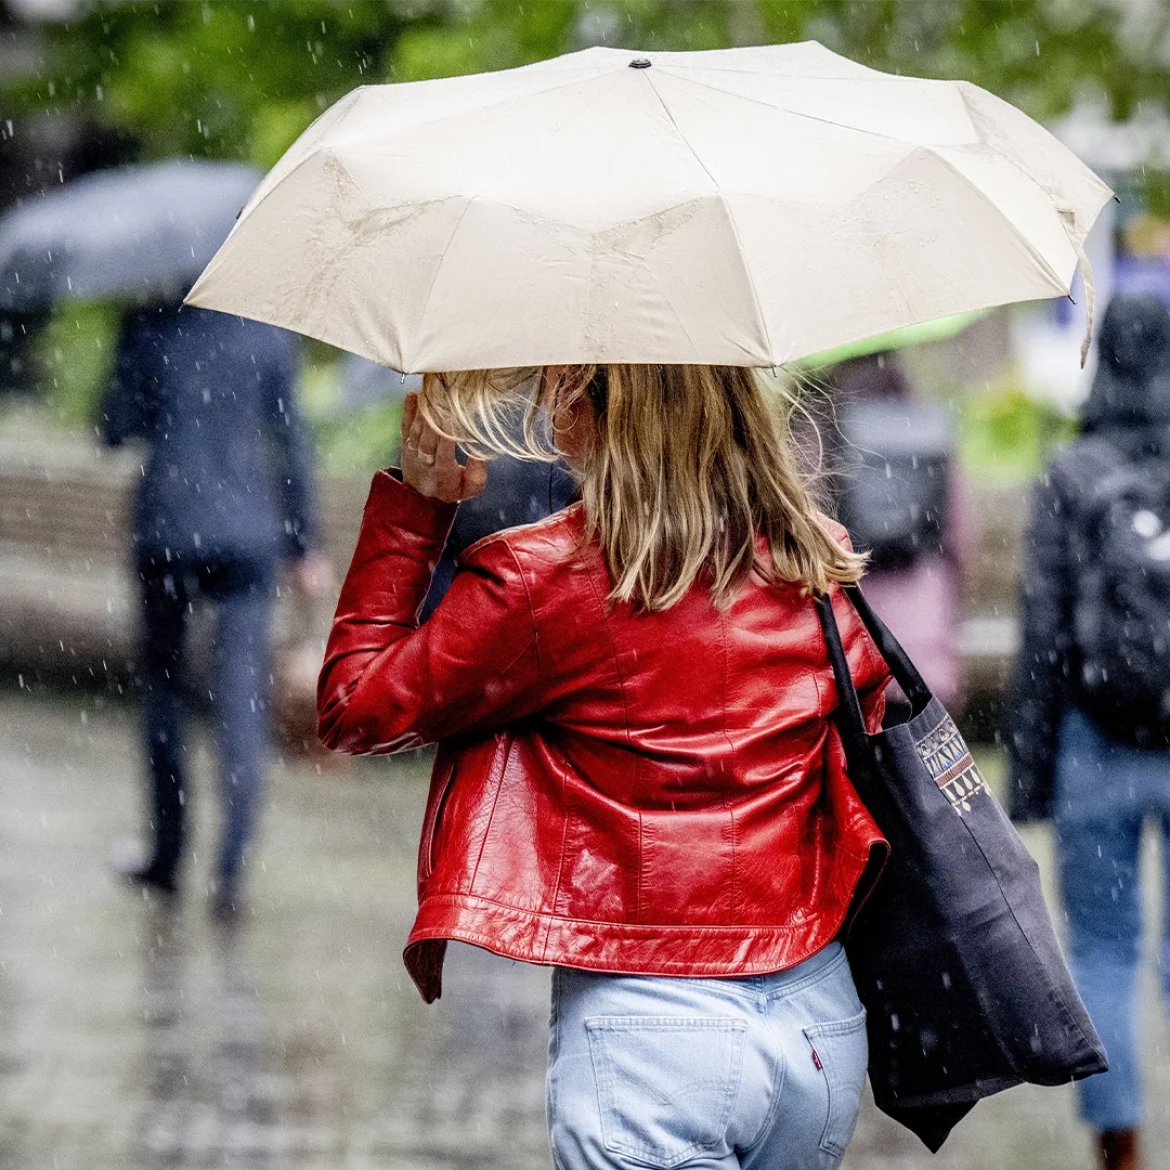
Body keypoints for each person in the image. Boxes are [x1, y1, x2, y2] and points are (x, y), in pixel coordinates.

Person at [318, 364, 891, 1170]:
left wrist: (419, 509)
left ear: (592, 399)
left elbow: (357, 704)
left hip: (653, 1030)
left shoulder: (547, 579)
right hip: (815, 1024)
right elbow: (862, 731)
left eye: (558, 378)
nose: (548, 397)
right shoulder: (815, 560)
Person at [1009, 293, 1170, 1170]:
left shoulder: (1074, 473)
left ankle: (1122, 1147)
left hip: (1096, 743)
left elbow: (1042, 634)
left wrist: (1028, 780)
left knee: (1104, 951)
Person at [102, 303, 331, 918]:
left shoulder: (148, 322)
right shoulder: (266, 328)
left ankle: (168, 858)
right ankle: (230, 876)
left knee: (165, 694)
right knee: (241, 699)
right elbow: (292, 439)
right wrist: (305, 543)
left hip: (168, 527)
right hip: (248, 533)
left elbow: (113, 427)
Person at [830, 352, 965, 717]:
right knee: (924, 769)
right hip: (923, 649)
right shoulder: (929, 431)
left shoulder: (826, 431)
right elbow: (961, 536)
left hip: (852, 649)